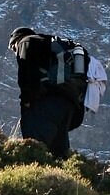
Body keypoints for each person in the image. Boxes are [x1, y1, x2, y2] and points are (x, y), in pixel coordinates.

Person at [7, 27, 79, 158]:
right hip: (68, 104)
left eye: (13, 49)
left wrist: (27, 102)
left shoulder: (26, 42)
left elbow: (27, 74)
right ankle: (60, 176)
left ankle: (36, 176)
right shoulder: (50, 45)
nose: (15, 52)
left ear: (15, 41)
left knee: (35, 147)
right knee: (59, 152)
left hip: (46, 103)